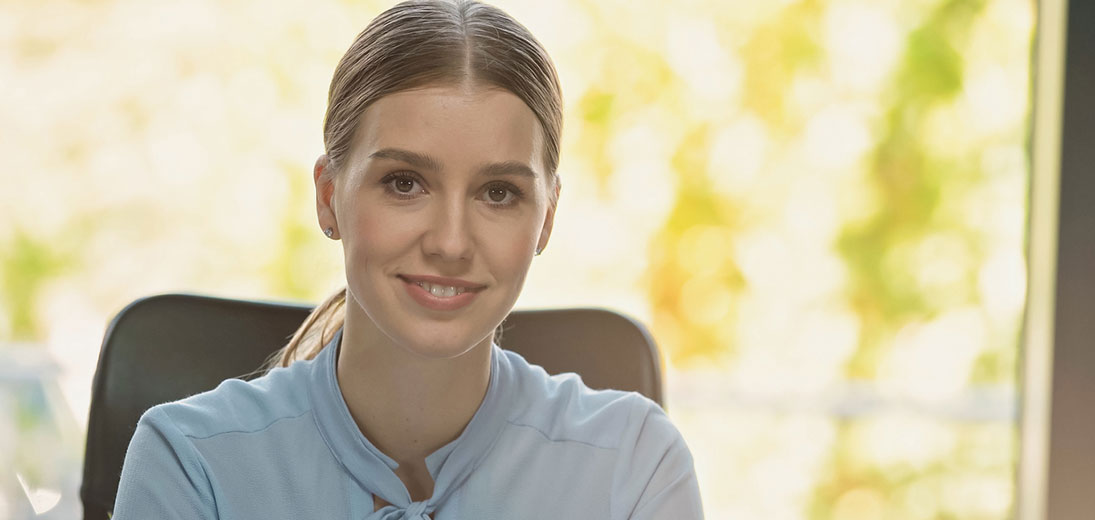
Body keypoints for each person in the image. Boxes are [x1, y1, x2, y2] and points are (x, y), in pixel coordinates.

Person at [111, 1, 703, 518]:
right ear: (328, 197)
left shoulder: (634, 467)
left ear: (546, 217)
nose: (450, 242)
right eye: (404, 183)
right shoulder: (190, 464)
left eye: (498, 193)